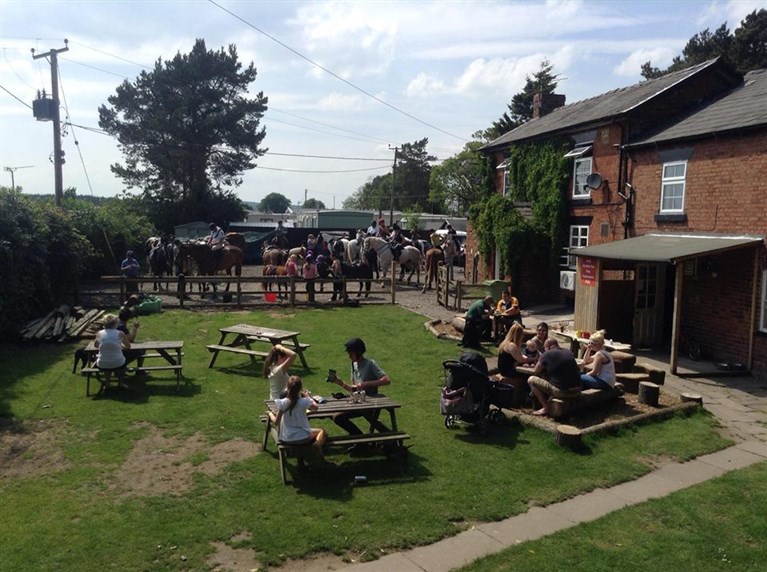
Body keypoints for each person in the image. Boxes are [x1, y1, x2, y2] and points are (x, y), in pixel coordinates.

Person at [329, 338, 391, 443]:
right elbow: (354, 388)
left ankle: (360, 440)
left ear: (358, 352)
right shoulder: (354, 365)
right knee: (332, 413)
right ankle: (359, 440)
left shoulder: (370, 364)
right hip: (357, 401)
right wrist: (340, 382)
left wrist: (367, 383)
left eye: (351, 353)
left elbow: (387, 380)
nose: (349, 356)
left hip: (369, 404)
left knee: (337, 417)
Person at [267, 375, 327, 470]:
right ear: (300, 389)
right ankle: (317, 445)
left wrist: (270, 414)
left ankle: (301, 463)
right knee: (322, 431)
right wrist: (309, 397)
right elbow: (315, 407)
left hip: (286, 437)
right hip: (303, 436)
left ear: (287, 388)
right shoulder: (304, 402)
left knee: (298, 441)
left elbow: (276, 422)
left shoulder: (283, 403)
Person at [527, 338, 581, 416]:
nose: (544, 349)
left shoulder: (547, 354)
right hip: (577, 390)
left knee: (531, 380)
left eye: (545, 347)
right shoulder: (568, 352)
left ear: (548, 346)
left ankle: (545, 407)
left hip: (563, 391)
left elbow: (536, 370)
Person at [94, 313, 131, 394]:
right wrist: (121, 346)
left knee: (107, 363)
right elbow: (128, 346)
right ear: (115, 323)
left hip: (102, 363)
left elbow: (96, 345)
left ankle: (107, 383)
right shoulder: (120, 333)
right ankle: (120, 383)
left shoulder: (99, 333)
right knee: (122, 361)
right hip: (118, 362)